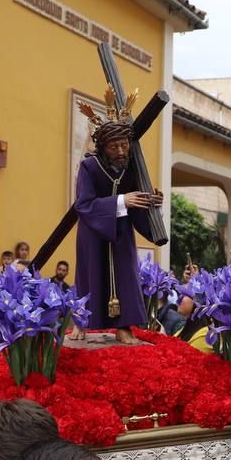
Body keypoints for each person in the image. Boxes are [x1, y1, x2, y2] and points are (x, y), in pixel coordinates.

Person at [74, 103, 163, 346]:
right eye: (115, 147)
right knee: (91, 274)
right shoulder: (89, 167)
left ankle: (123, 327)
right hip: (93, 233)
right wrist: (123, 200)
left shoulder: (131, 169)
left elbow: (138, 201)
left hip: (122, 233)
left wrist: (152, 202)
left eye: (125, 145)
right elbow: (83, 205)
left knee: (126, 276)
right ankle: (81, 323)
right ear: (103, 148)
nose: (122, 151)